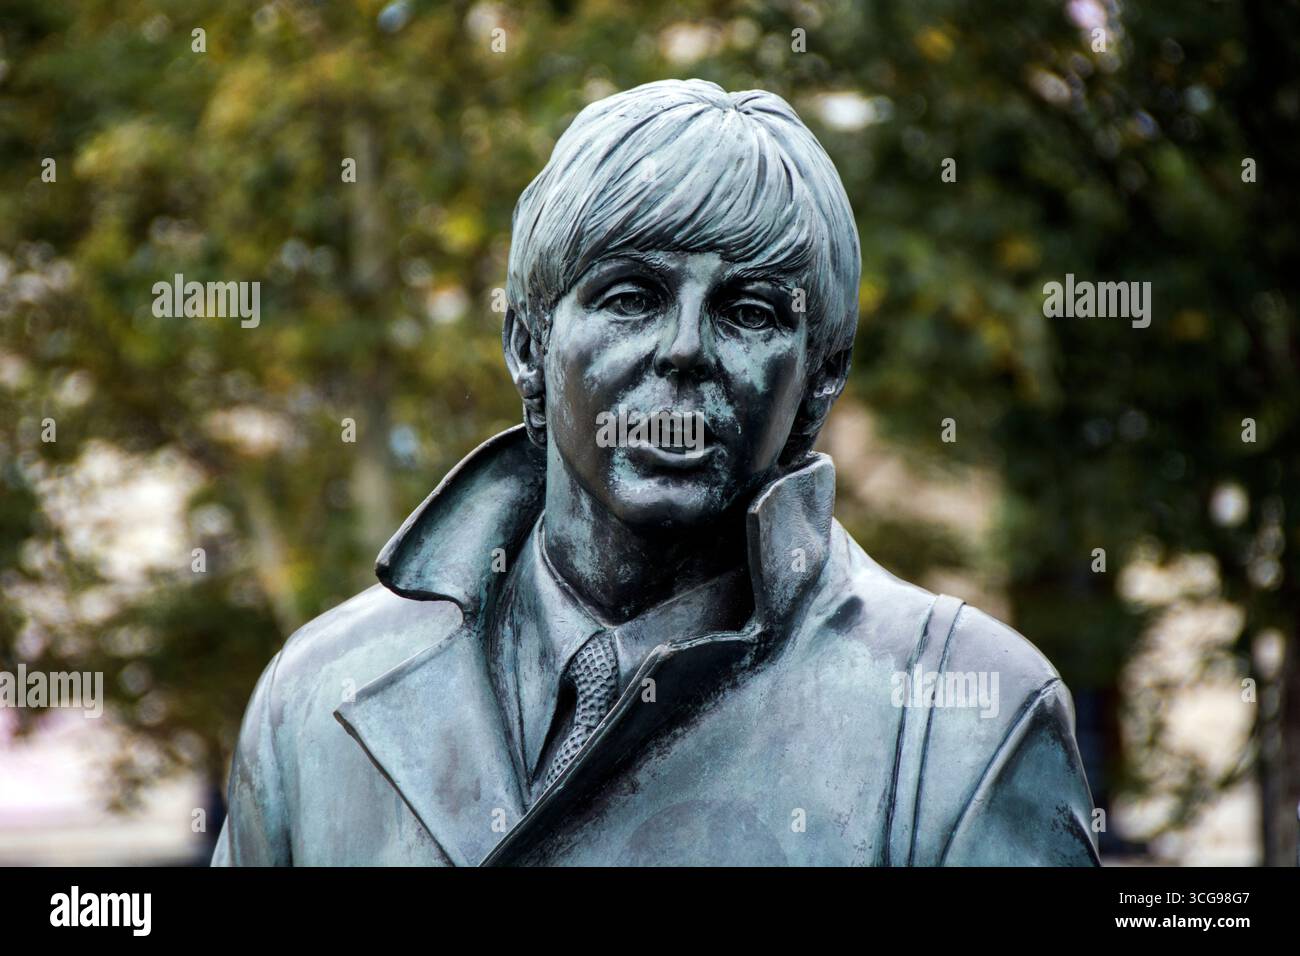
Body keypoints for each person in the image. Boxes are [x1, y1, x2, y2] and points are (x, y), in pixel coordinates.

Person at [213, 79, 1099, 866]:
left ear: (820, 378)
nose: (684, 351)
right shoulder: (319, 696)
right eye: (630, 297)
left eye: (749, 312)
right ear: (528, 344)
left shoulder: (966, 721)